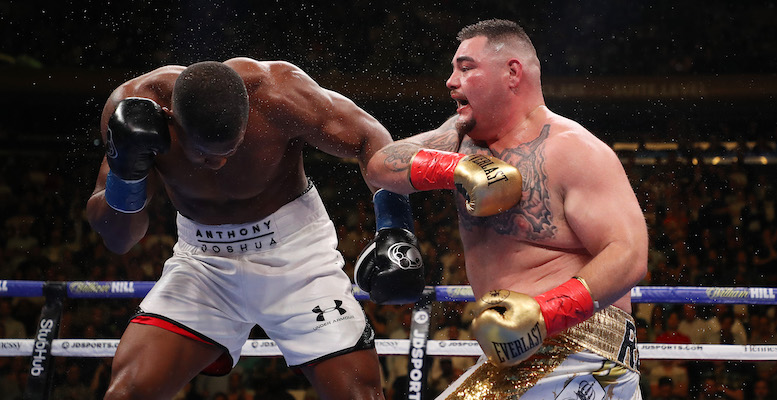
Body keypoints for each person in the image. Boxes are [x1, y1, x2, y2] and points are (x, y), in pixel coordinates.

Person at [87, 58, 425, 400]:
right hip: (203, 265)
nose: (219, 163)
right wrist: (125, 175)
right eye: (205, 154)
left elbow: (371, 138)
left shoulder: (279, 95)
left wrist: (395, 226)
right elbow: (120, 240)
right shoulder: (135, 106)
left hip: (298, 258)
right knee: (126, 394)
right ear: (172, 122)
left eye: (231, 149)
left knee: (359, 397)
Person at [365, 19, 648, 399]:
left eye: (466, 68)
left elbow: (629, 256)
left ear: (512, 73)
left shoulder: (571, 149)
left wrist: (545, 314)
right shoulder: (466, 148)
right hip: (519, 355)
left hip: (578, 345)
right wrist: (455, 159)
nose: (451, 81)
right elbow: (381, 167)